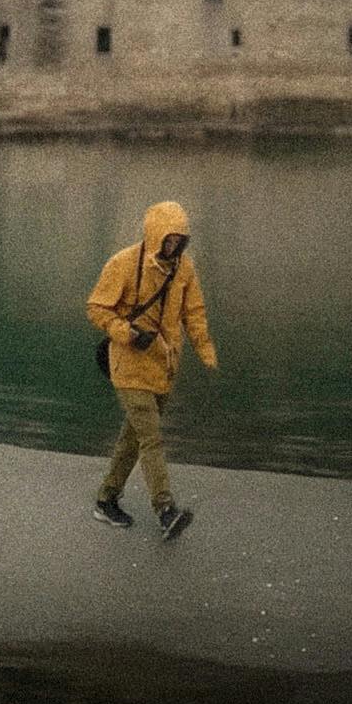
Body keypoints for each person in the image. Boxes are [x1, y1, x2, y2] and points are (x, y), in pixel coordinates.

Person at [86, 199, 217, 541]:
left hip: (162, 366)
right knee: (151, 437)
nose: (173, 246)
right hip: (128, 363)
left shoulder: (184, 269)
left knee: (133, 438)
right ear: (156, 234)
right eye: (168, 239)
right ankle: (165, 509)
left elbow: (195, 312)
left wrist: (205, 349)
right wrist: (126, 333)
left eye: (179, 240)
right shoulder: (124, 264)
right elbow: (97, 308)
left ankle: (106, 499)